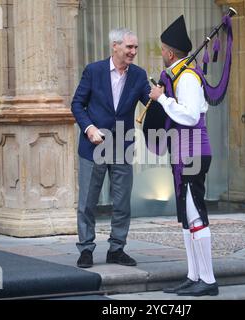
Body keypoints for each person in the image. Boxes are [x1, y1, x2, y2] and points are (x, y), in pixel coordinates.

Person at [148, 15, 218, 296]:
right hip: (183, 151)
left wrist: (162, 99)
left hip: (193, 151)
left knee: (196, 214)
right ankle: (194, 275)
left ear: (170, 52)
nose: (162, 54)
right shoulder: (181, 75)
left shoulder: (187, 77)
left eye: (163, 50)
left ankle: (209, 280)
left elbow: (190, 116)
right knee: (188, 218)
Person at [71, 28, 151, 268]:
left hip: (122, 146)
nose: (133, 52)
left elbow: (150, 102)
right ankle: (86, 249)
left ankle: (117, 249)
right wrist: (89, 128)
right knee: (87, 202)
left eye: (136, 47)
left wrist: (163, 93)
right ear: (115, 46)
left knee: (122, 202)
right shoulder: (93, 71)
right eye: (129, 47)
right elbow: (77, 104)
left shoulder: (138, 75)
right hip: (93, 146)